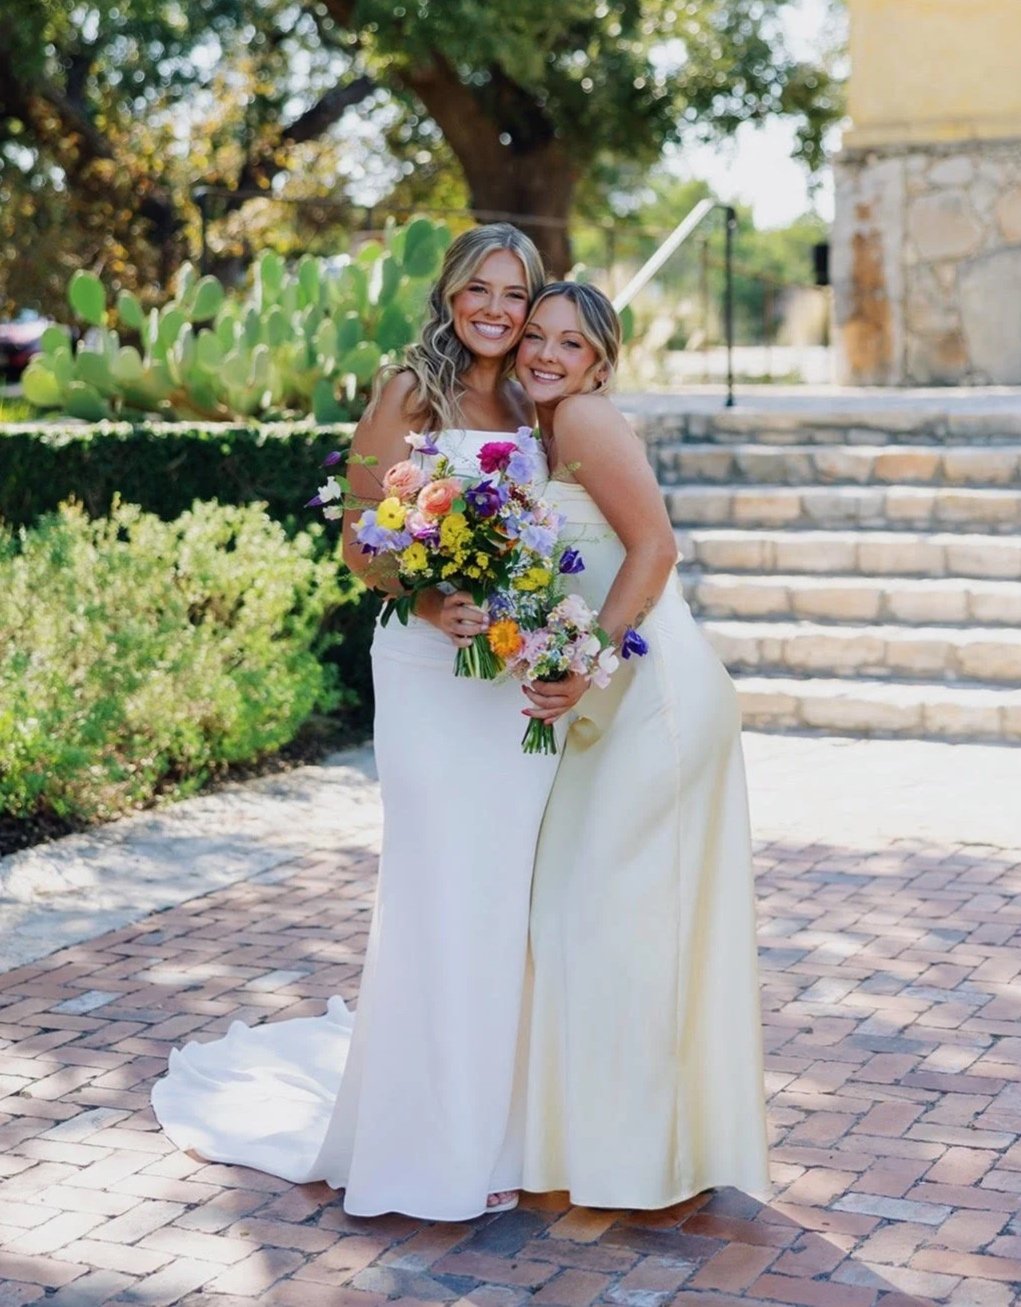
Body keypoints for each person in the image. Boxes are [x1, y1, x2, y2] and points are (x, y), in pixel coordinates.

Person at [151, 224, 559, 1220]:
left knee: (505, 898)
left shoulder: (541, 394)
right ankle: (425, 1138)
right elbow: (361, 536)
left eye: (514, 292)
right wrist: (427, 599)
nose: (497, 310)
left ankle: (502, 1128)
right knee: (433, 891)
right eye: (479, 289)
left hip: (508, 675)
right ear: (450, 293)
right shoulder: (408, 388)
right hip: (427, 665)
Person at [513, 282, 769, 1208]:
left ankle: (634, 1162)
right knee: (588, 918)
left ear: (599, 361)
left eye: (568, 342)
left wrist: (584, 664)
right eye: (534, 335)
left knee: (619, 926)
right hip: (610, 696)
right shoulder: (536, 429)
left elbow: (654, 547)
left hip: (653, 698)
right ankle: (595, 1146)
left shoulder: (580, 417)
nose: (545, 353)